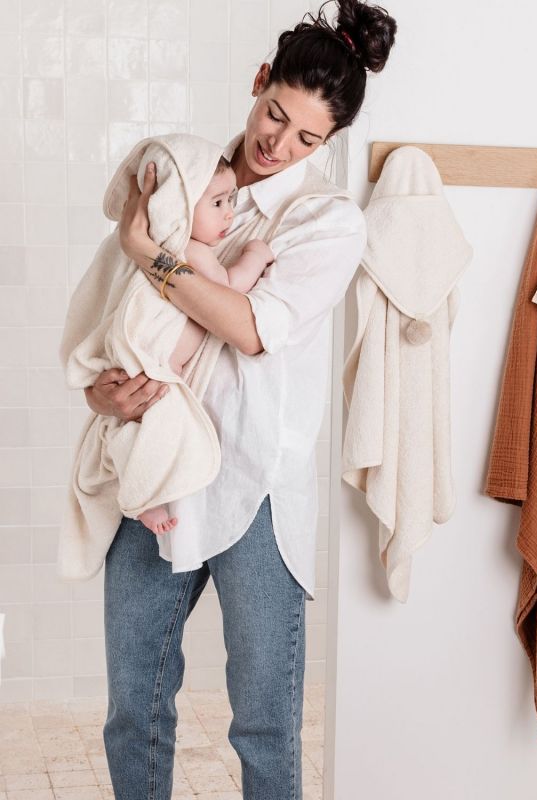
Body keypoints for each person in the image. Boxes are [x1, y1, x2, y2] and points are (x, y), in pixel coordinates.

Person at [83, 1, 397, 797]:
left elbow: (250, 327)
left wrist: (147, 251)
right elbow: (104, 320)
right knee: (133, 707)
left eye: (306, 139)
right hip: (159, 472)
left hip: (257, 488)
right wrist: (103, 393)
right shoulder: (181, 177)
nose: (278, 145)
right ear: (260, 83)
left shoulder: (326, 220)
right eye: (275, 115)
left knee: (262, 725)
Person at [138, 155, 275, 536]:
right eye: (217, 204)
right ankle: (148, 497)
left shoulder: (168, 247)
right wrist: (255, 255)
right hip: (160, 364)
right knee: (163, 432)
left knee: (149, 431)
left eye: (231, 201)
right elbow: (228, 288)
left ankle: (147, 490)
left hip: (159, 365)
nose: (229, 214)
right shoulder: (192, 251)